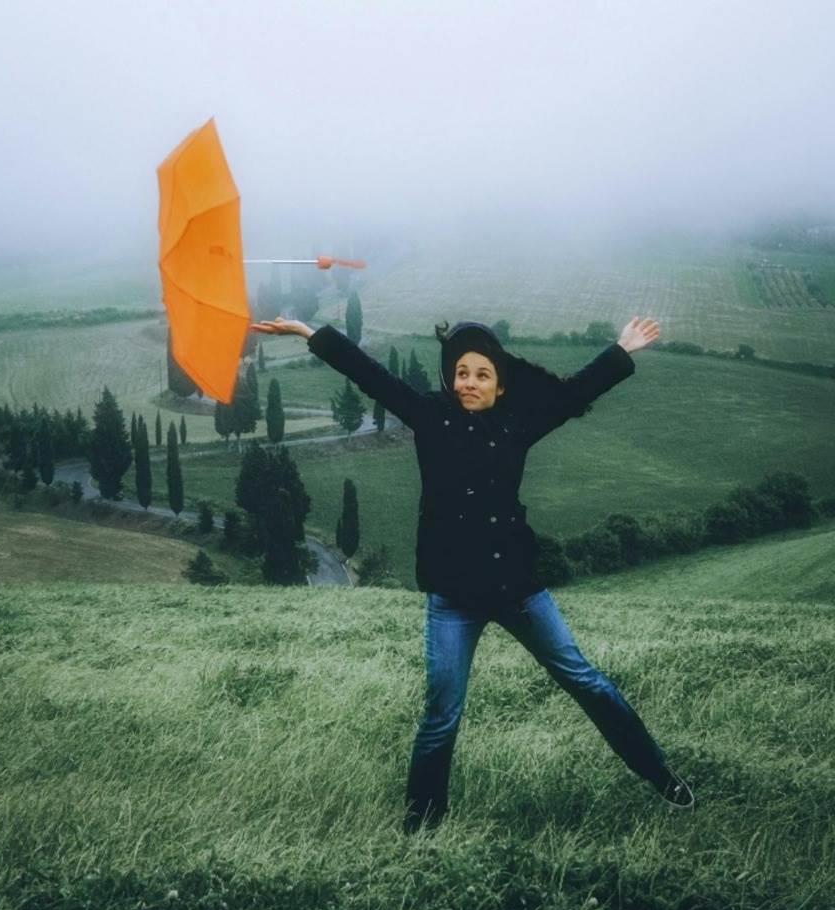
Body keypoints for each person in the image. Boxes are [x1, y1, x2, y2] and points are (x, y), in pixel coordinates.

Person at [250, 313, 694, 833]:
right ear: (450, 379)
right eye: (461, 372)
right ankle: (421, 826)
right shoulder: (429, 416)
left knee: (586, 682)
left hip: (518, 590)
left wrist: (621, 350)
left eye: (482, 374)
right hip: (454, 598)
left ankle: (661, 777)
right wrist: (310, 333)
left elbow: (572, 396)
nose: (469, 383)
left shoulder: (517, 425)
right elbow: (368, 373)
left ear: (500, 385)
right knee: (441, 713)